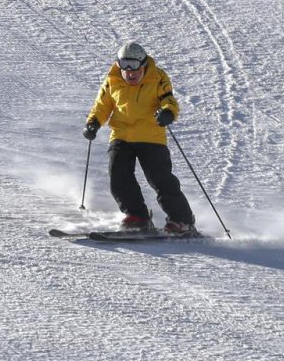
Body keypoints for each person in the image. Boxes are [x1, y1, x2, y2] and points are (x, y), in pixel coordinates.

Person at [83, 41, 198, 235]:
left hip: (150, 136)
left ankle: (182, 221)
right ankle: (137, 217)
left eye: (134, 65)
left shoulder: (158, 77)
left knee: (160, 179)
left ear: (143, 64)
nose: (129, 71)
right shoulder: (112, 81)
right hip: (121, 135)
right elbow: (102, 105)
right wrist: (93, 122)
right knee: (118, 177)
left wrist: (168, 113)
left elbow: (168, 100)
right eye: (124, 66)